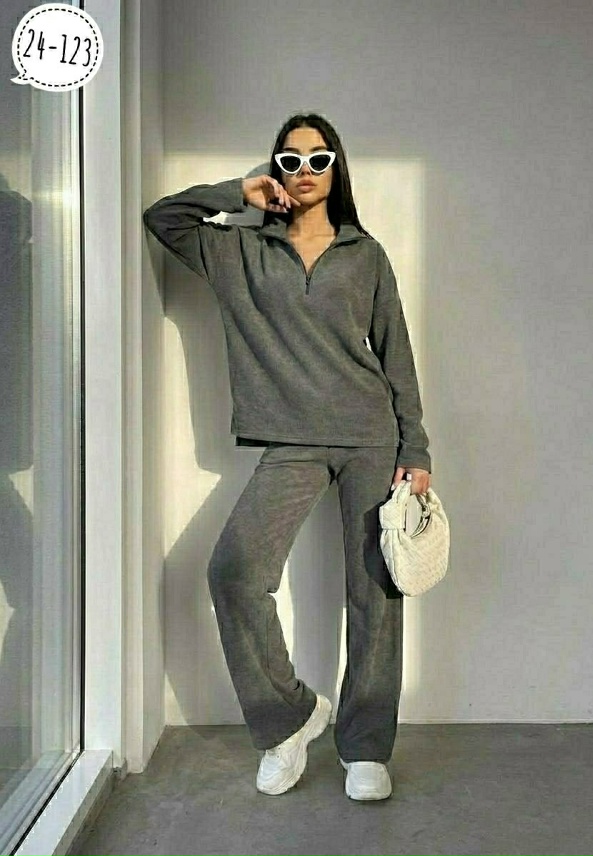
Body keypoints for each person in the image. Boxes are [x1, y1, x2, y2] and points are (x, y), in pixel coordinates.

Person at [143, 112, 432, 801]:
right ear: (276, 169)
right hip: (291, 440)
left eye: (319, 158)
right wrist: (237, 193)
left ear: (337, 168)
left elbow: (396, 352)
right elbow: (164, 219)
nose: (305, 171)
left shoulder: (365, 254)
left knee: (374, 595)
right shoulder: (238, 251)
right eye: (291, 159)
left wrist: (415, 445)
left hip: (370, 435)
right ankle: (289, 719)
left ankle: (366, 747)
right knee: (235, 573)